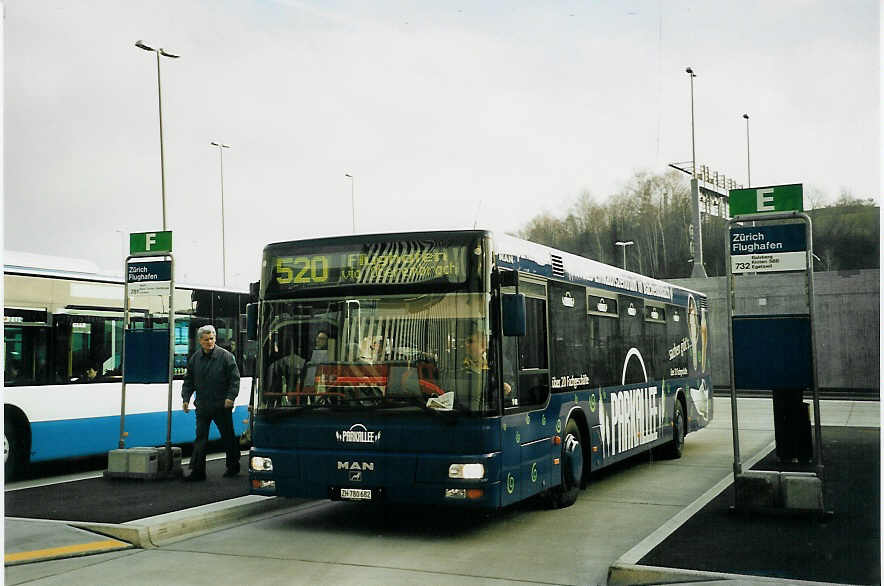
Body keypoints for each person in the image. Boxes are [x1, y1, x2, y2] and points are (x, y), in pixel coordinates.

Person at [182, 324, 241, 481]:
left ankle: (233, 466)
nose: (210, 342)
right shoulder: (195, 359)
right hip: (203, 405)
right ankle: (198, 471)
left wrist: (231, 397)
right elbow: (189, 381)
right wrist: (186, 398)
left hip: (221, 405)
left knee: (227, 436)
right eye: (206, 339)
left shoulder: (226, 356)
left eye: (212, 338)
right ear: (200, 340)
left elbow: (235, 379)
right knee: (200, 438)